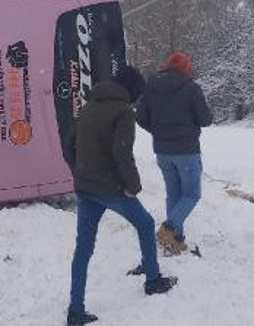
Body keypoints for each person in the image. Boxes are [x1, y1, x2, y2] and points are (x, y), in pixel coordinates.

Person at [66, 65, 176, 326]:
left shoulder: (88, 106)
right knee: (146, 224)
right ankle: (152, 280)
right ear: (133, 90)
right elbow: (122, 152)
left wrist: (79, 170)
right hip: (111, 189)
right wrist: (133, 186)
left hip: (85, 188)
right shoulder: (124, 111)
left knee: (83, 247)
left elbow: (69, 143)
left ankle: (75, 310)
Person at [137, 52, 213, 255]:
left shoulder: (151, 86)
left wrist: (160, 131)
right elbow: (205, 119)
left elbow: (141, 117)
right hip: (186, 150)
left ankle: (175, 240)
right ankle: (169, 228)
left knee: (174, 194)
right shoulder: (191, 88)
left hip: (162, 151)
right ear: (186, 68)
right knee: (192, 194)